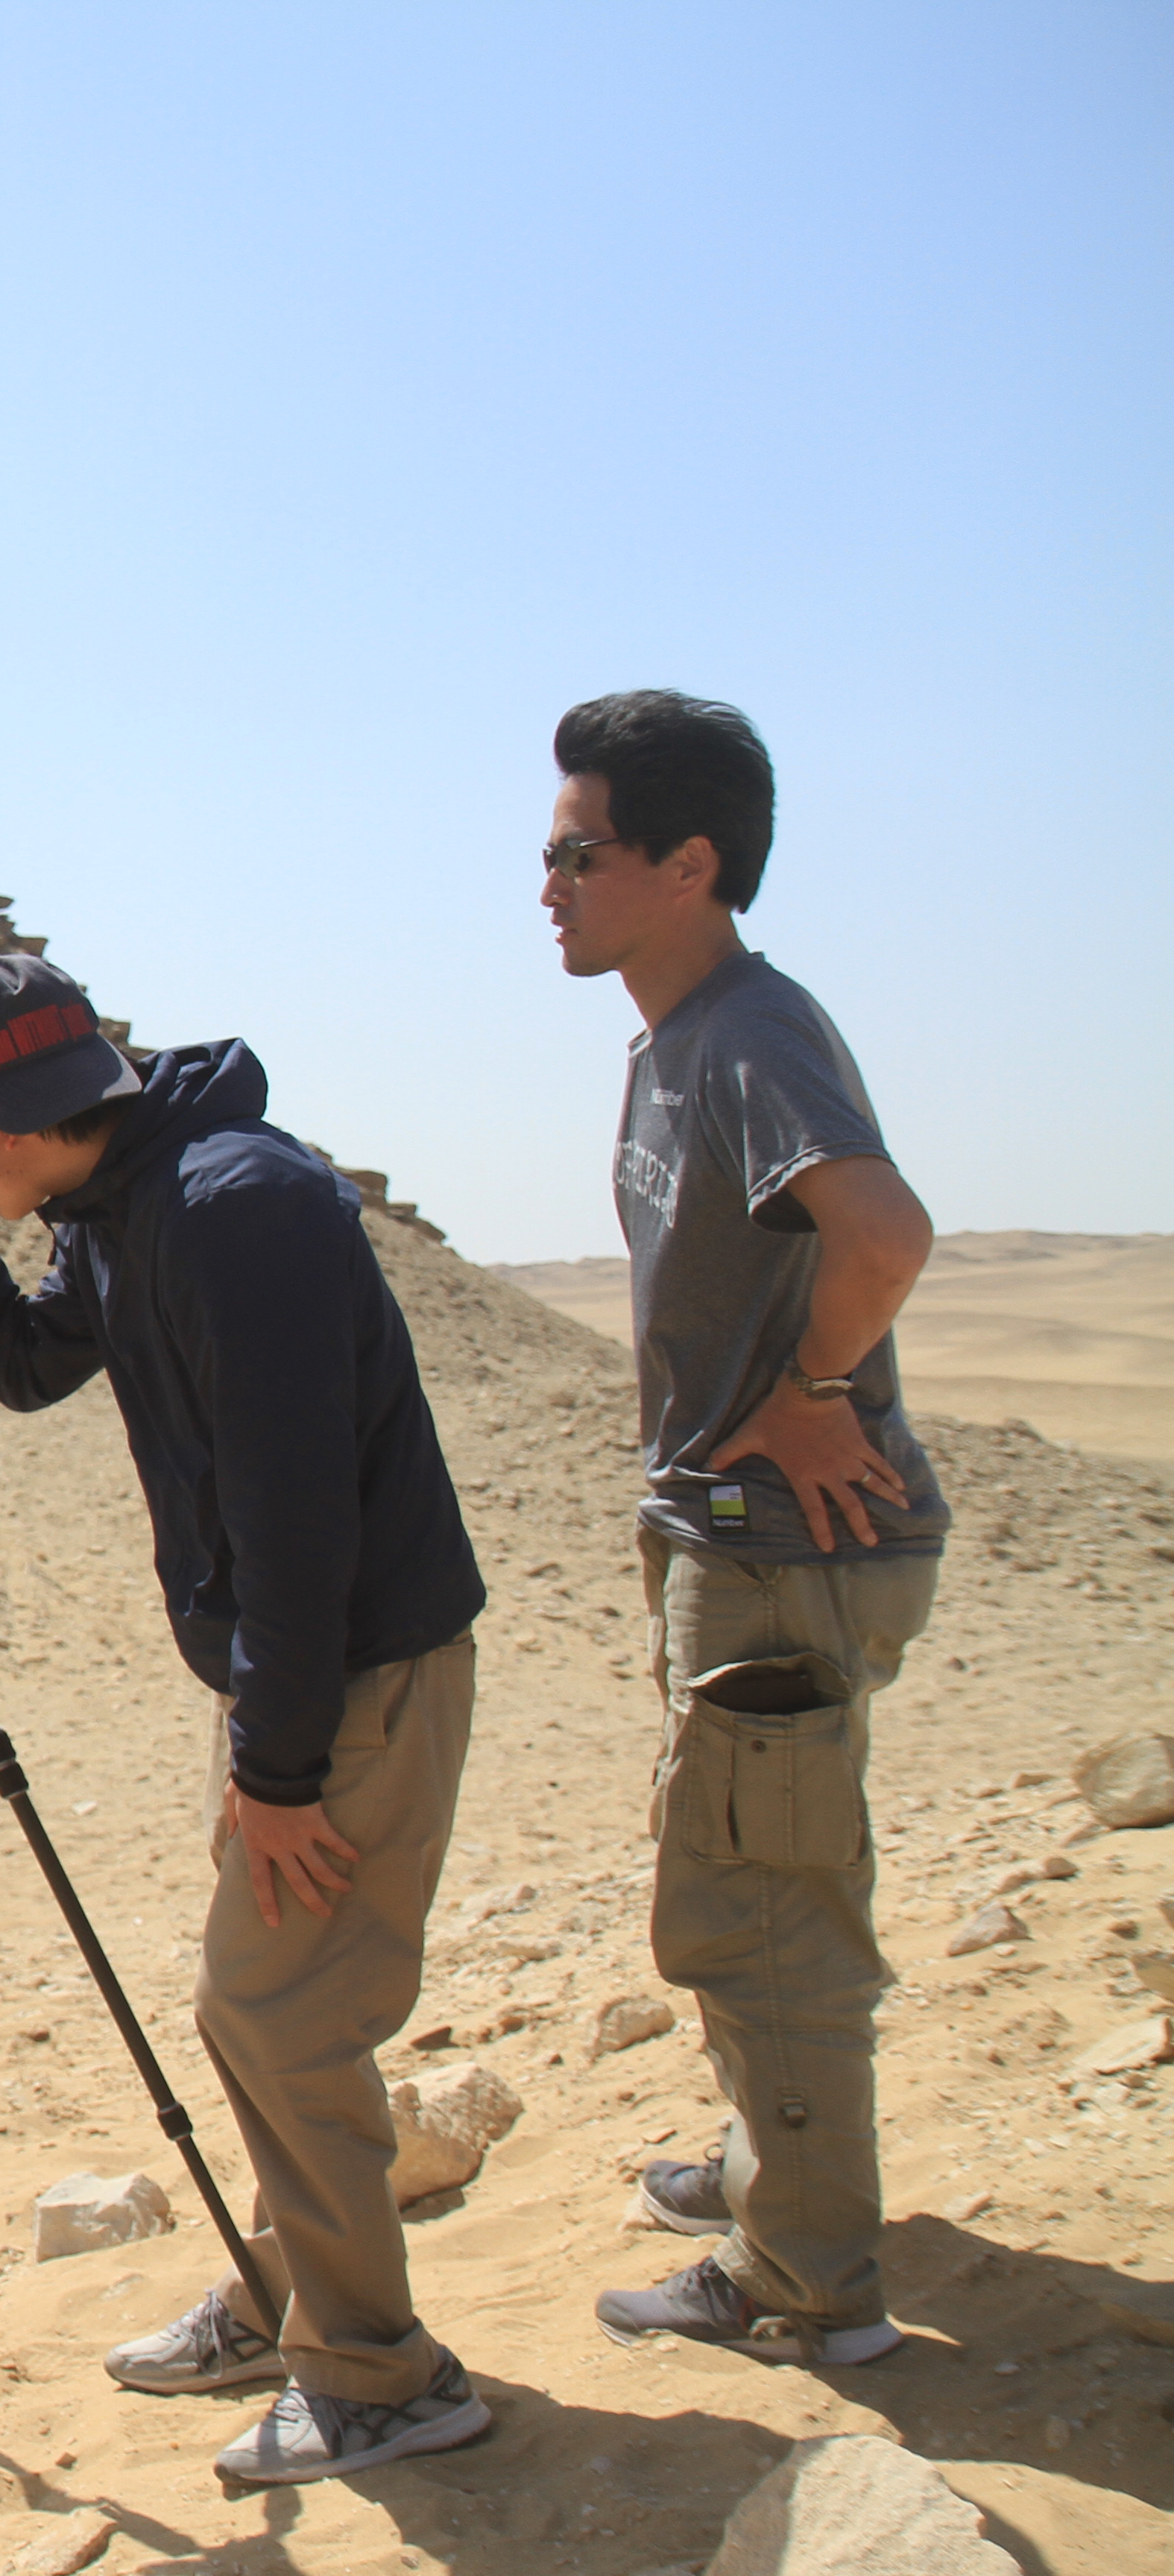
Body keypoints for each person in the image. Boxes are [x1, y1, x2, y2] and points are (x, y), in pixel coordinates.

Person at [0, 955, 490, 2484]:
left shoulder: (225, 1209)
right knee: (269, 2005)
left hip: (350, 1670)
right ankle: (297, 2304)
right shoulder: (130, 1197)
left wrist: (279, 1765)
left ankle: (383, 2380)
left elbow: (298, 1519)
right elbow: (26, 1367)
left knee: (275, 2010)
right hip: (295, 1669)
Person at [541, 689, 944, 2368]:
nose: (547, 886)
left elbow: (885, 1232)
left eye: (581, 854)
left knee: (758, 1905)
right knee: (761, 1868)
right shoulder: (686, 1035)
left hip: (784, 1538)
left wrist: (816, 1391)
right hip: (744, 1538)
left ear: (691, 864)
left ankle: (806, 2286)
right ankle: (772, 2173)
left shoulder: (750, 1036)